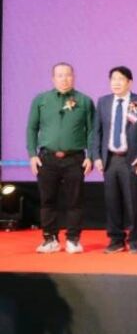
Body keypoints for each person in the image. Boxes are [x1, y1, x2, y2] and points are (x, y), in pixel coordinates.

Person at [27, 63, 95, 254]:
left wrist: (91, 155)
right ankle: (50, 239)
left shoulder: (84, 101)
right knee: (47, 200)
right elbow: (32, 128)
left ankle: (73, 239)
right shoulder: (41, 100)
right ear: (53, 78)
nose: (64, 79)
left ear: (74, 77)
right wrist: (32, 154)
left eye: (68, 75)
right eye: (60, 75)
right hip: (47, 158)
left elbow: (92, 131)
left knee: (75, 200)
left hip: (75, 159)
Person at [91, 66, 137, 254]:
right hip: (110, 160)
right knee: (112, 202)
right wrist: (96, 156)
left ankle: (134, 240)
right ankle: (116, 240)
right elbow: (97, 131)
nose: (116, 83)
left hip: (131, 160)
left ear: (129, 82)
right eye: (113, 79)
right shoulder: (103, 102)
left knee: (132, 202)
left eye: (121, 79)